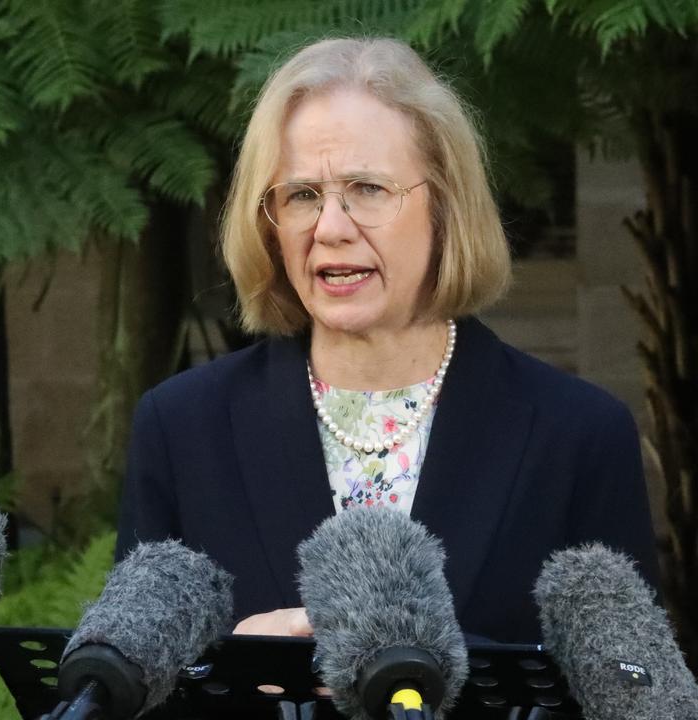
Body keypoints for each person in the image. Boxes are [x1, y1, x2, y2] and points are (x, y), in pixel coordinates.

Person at [114, 37, 659, 644]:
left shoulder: (580, 437)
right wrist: (237, 672)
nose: (331, 228)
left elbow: (627, 690)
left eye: (368, 189)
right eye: (301, 196)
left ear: (446, 207)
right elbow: (134, 682)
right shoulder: (181, 428)